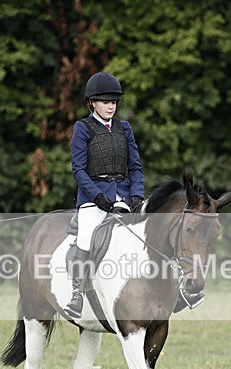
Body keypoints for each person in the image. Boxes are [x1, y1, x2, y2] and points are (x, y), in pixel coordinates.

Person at [64, 71, 145, 319]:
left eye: (113, 101)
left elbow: (135, 167)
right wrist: (98, 197)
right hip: (93, 200)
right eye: (105, 101)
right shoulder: (83, 128)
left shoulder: (124, 128)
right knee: (87, 236)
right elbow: (78, 169)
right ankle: (77, 294)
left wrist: (137, 195)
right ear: (92, 103)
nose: (110, 105)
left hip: (123, 196)